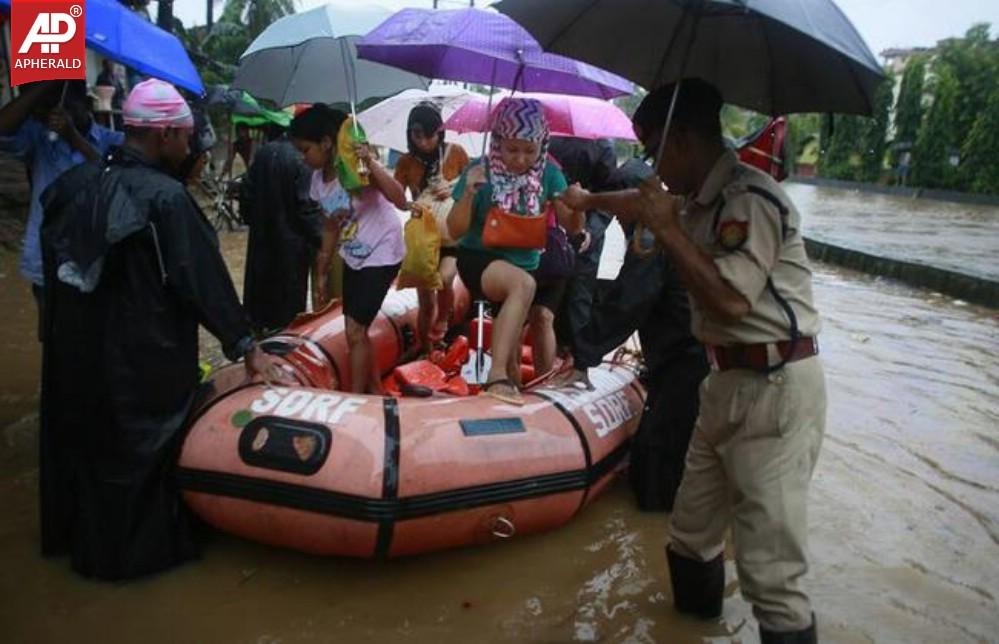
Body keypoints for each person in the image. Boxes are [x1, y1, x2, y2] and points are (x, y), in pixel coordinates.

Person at [559, 79, 825, 643]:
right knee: (689, 533)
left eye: (655, 151)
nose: (653, 166)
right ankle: (692, 631)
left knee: (771, 573)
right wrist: (589, 202)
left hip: (773, 385)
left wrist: (668, 230)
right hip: (722, 381)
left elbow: (731, 298)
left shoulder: (750, 201)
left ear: (682, 140)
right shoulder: (698, 199)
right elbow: (640, 203)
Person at [37, 79, 291, 580]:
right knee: (143, 459)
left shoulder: (75, 185)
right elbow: (204, 283)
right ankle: (137, 566)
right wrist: (247, 348)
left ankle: (77, 547)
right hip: (143, 361)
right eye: (186, 136)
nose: (191, 145)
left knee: (88, 448)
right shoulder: (167, 201)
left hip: (77, 358)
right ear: (164, 136)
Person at [555, 158, 708, 513]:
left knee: (656, 466)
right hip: (685, 358)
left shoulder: (651, 239)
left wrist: (583, 355)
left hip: (684, 364)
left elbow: (627, 304)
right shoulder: (673, 230)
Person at [448, 97, 577, 405]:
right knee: (524, 285)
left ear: (541, 146)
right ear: (498, 141)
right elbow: (454, 230)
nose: (520, 159)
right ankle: (495, 376)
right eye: (512, 149)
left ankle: (512, 390)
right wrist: (467, 192)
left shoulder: (549, 174)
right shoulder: (480, 170)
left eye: (529, 150)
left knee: (516, 351)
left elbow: (571, 225)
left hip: (523, 262)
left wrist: (578, 205)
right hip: (479, 259)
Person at [290, 105, 406, 394]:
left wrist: (370, 161)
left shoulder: (357, 168)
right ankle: (376, 389)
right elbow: (330, 226)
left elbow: (400, 201)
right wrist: (321, 268)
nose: (303, 159)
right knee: (356, 329)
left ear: (326, 143)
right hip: (354, 256)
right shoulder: (318, 181)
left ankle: (355, 397)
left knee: (354, 330)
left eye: (305, 150)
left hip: (383, 250)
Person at [0, 80, 124, 337]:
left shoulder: (113, 140)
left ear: (87, 105)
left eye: (66, 106)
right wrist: (44, 87)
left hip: (96, 258)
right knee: (51, 336)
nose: (59, 113)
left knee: (98, 336)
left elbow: (114, 180)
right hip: (46, 257)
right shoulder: (38, 137)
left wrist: (73, 137)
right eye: (51, 108)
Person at [393, 102, 470, 353]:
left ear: (440, 132)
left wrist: (453, 188)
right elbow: (395, 196)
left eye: (430, 134)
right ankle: (426, 348)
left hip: (452, 239)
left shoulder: (456, 153)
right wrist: (408, 205)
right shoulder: (405, 162)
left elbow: (474, 186)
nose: (424, 141)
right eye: (417, 135)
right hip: (422, 238)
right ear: (409, 133)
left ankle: (444, 319)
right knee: (425, 300)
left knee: (446, 278)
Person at [239, 121, 322, 333]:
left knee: (260, 304)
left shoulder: (264, 152)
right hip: (292, 247)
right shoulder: (303, 158)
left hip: (262, 240)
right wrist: (323, 241)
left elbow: (246, 194)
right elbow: (306, 208)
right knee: (288, 313)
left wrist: (255, 220)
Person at [547, 136, 617, 349]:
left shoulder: (603, 146)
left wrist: (591, 231)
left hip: (583, 227)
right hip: (553, 225)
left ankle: (576, 354)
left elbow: (607, 195)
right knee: (553, 297)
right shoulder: (549, 137)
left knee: (578, 295)